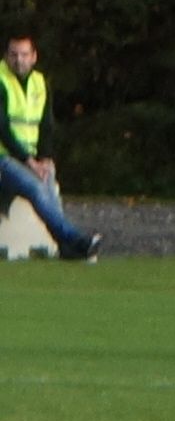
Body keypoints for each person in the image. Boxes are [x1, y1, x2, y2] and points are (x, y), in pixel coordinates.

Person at [0, 31, 104, 262]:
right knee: (36, 188)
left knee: (48, 184)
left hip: (27, 158)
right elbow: (3, 129)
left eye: (24, 55)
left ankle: (66, 247)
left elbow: (46, 125)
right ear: (6, 56)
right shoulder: (0, 80)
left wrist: (45, 158)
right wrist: (30, 161)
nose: (19, 60)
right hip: (5, 157)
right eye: (14, 55)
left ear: (34, 57)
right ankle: (76, 240)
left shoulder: (39, 82)